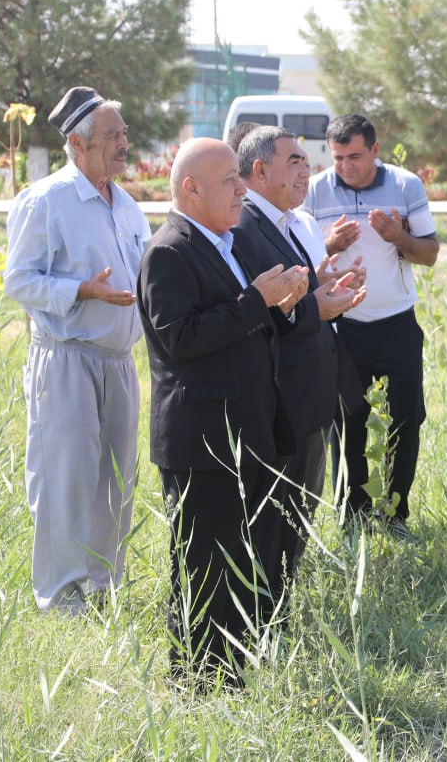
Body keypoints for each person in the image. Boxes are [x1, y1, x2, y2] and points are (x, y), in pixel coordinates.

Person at [138, 137, 309, 677]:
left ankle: (239, 668)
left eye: (240, 177)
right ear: (191, 188)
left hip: (246, 428)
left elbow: (245, 326)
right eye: (229, 180)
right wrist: (257, 299)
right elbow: (181, 339)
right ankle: (196, 683)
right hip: (203, 440)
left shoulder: (226, 242)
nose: (241, 190)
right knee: (203, 567)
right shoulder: (170, 250)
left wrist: (281, 304)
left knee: (245, 560)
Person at [4, 87, 150, 614]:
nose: (124, 143)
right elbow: (19, 280)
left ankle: (102, 592)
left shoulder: (128, 204)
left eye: (125, 133)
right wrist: (81, 291)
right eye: (113, 135)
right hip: (65, 358)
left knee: (115, 481)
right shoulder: (46, 200)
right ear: (78, 143)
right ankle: (62, 604)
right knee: (66, 480)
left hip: (119, 362)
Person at [231, 126, 366, 589]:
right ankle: (267, 612)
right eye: (294, 162)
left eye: (307, 162)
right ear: (259, 170)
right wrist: (318, 306)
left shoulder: (287, 221)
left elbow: (295, 293)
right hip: (280, 394)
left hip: (309, 389)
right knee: (276, 516)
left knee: (299, 511)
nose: (306, 171)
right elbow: (267, 311)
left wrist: (326, 284)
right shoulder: (245, 227)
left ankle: (279, 606)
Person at [303, 114, 438, 530]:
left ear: (376, 151)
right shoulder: (314, 190)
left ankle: (395, 515)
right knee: (348, 425)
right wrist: (328, 244)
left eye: (355, 156)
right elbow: (300, 259)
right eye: (339, 157)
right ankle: (353, 516)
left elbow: (429, 254)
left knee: (406, 421)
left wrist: (398, 237)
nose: (346, 166)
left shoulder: (405, 184)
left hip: (396, 322)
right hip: (342, 327)